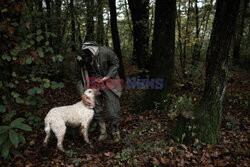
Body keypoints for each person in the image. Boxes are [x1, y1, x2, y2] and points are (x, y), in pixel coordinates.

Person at [75, 41, 122, 142]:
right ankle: (103, 132)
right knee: (96, 109)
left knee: (113, 109)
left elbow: (116, 63)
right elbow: (78, 79)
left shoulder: (104, 52)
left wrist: (107, 76)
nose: (90, 66)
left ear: (92, 55)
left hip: (109, 82)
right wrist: (82, 94)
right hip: (92, 85)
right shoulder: (79, 60)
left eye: (90, 63)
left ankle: (116, 131)